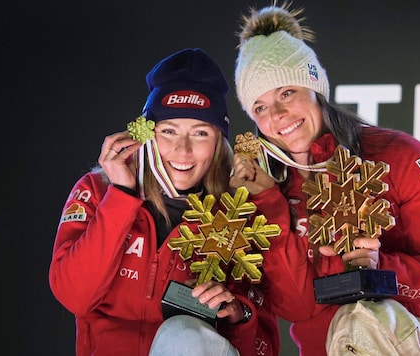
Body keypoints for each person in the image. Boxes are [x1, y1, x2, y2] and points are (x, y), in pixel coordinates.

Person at [229, 3, 420, 356]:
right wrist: (271, 204)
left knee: (361, 318)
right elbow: (297, 308)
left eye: (286, 93)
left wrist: (381, 270)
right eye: (260, 107)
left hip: (410, 344)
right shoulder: (267, 187)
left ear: (315, 89)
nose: (278, 115)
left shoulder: (399, 156)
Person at [49, 48, 279, 356]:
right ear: (145, 136)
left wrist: (239, 315)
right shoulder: (98, 190)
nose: (183, 151)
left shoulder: (239, 212)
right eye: (168, 131)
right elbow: (74, 297)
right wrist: (121, 196)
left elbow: (264, 345)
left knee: (183, 336)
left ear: (219, 143)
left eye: (199, 133)